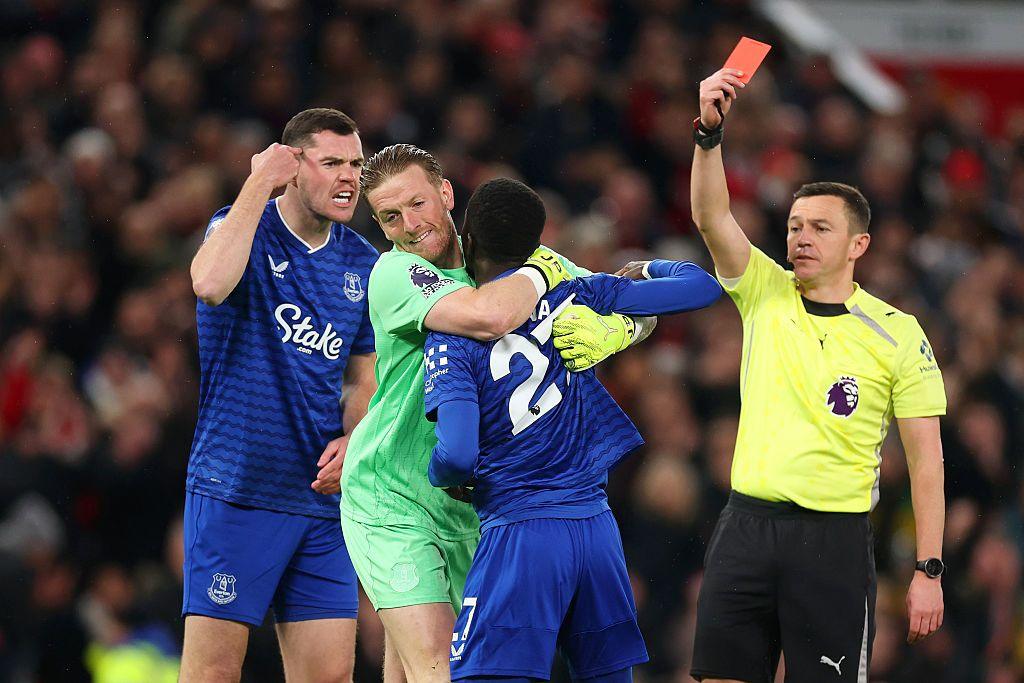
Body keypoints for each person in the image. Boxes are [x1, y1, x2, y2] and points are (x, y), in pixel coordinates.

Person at [339, 144, 653, 682]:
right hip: (394, 498)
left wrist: (618, 331)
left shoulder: (503, 257)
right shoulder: (395, 274)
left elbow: (635, 297)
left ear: (446, 193)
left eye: (418, 204)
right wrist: (544, 272)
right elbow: (488, 317)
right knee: (443, 668)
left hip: (475, 508)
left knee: (417, 671)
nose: (410, 226)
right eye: (390, 216)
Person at [685, 70, 947, 683]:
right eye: (795, 225)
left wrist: (928, 570)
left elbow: (927, 460)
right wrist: (708, 134)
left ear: (860, 245)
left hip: (832, 543)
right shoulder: (763, 292)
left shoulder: (898, 333)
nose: (801, 237)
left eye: (820, 228)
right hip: (745, 526)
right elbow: (710, 215)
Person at [423, 177, 723, 682]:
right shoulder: (573, 292)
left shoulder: (452, 333)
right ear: (538, 246)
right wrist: (649, 267)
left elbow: (455, 452)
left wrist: (439, 473)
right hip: (596, 532)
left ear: (467, 239)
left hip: (520, 531)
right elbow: (703, 286)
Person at [183, 109, 378, 682]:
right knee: (213, 674)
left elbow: (363, 378)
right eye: (332, 163)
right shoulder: (239, 226)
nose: (349, 178)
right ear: (292, 166)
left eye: (356, 165)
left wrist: (355, 437)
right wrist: (255, 184)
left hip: (321, 500)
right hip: (237, 488)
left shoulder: (363, 264)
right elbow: (209, 284)